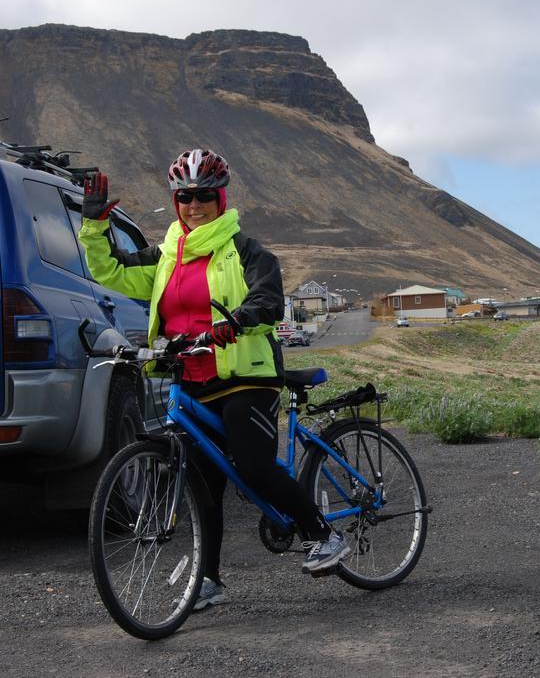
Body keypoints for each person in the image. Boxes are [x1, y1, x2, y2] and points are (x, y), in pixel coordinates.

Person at [78, 148, 349, 610]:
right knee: (202, 483)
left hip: (246, 376)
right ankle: (209, 580)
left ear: (221, 198)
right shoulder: (167, 255)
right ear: (176, 199)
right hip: (192, 378)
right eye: (185, 196)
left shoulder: (247, 251)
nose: (194, 205)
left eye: (204, 195)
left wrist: (233, 324)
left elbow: (267, 302)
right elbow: (113, 272)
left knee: (252, 465)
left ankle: (323, 534)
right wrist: (95, 226)